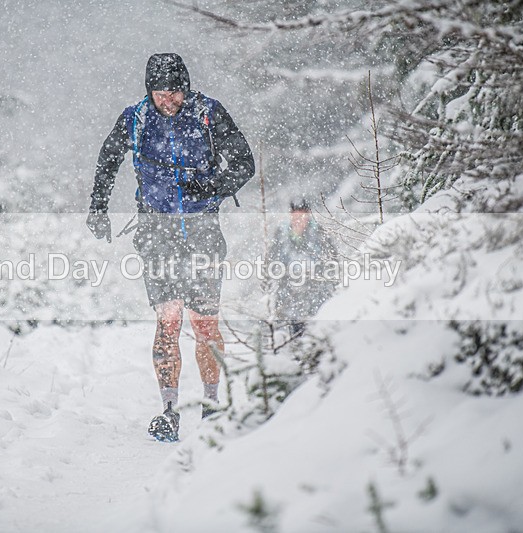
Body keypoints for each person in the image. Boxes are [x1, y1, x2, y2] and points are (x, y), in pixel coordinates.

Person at [86, 53, 254, 442]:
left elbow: (244, 163)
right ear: (150, 90)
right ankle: (169, 410)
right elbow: (108, 159)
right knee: (168, 320)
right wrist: (98, 207)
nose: (169, 100)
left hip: (203, 234)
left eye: (176, 92)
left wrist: (212, 187)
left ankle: (213, 405)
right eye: (162, 93)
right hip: (157, 235)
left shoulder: (208, 114)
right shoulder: (136, 119)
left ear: (187, 87)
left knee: (205, 322)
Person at [268, 198, 336, 336]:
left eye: (302, 216)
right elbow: (271, 260)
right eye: (295, 216)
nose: (299, 220)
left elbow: (331, 261)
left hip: (314, 291)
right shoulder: (281, 233)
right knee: (289, 331)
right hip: (287, 291)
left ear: (309, 215)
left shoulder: (320, 233)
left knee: (313, 331)